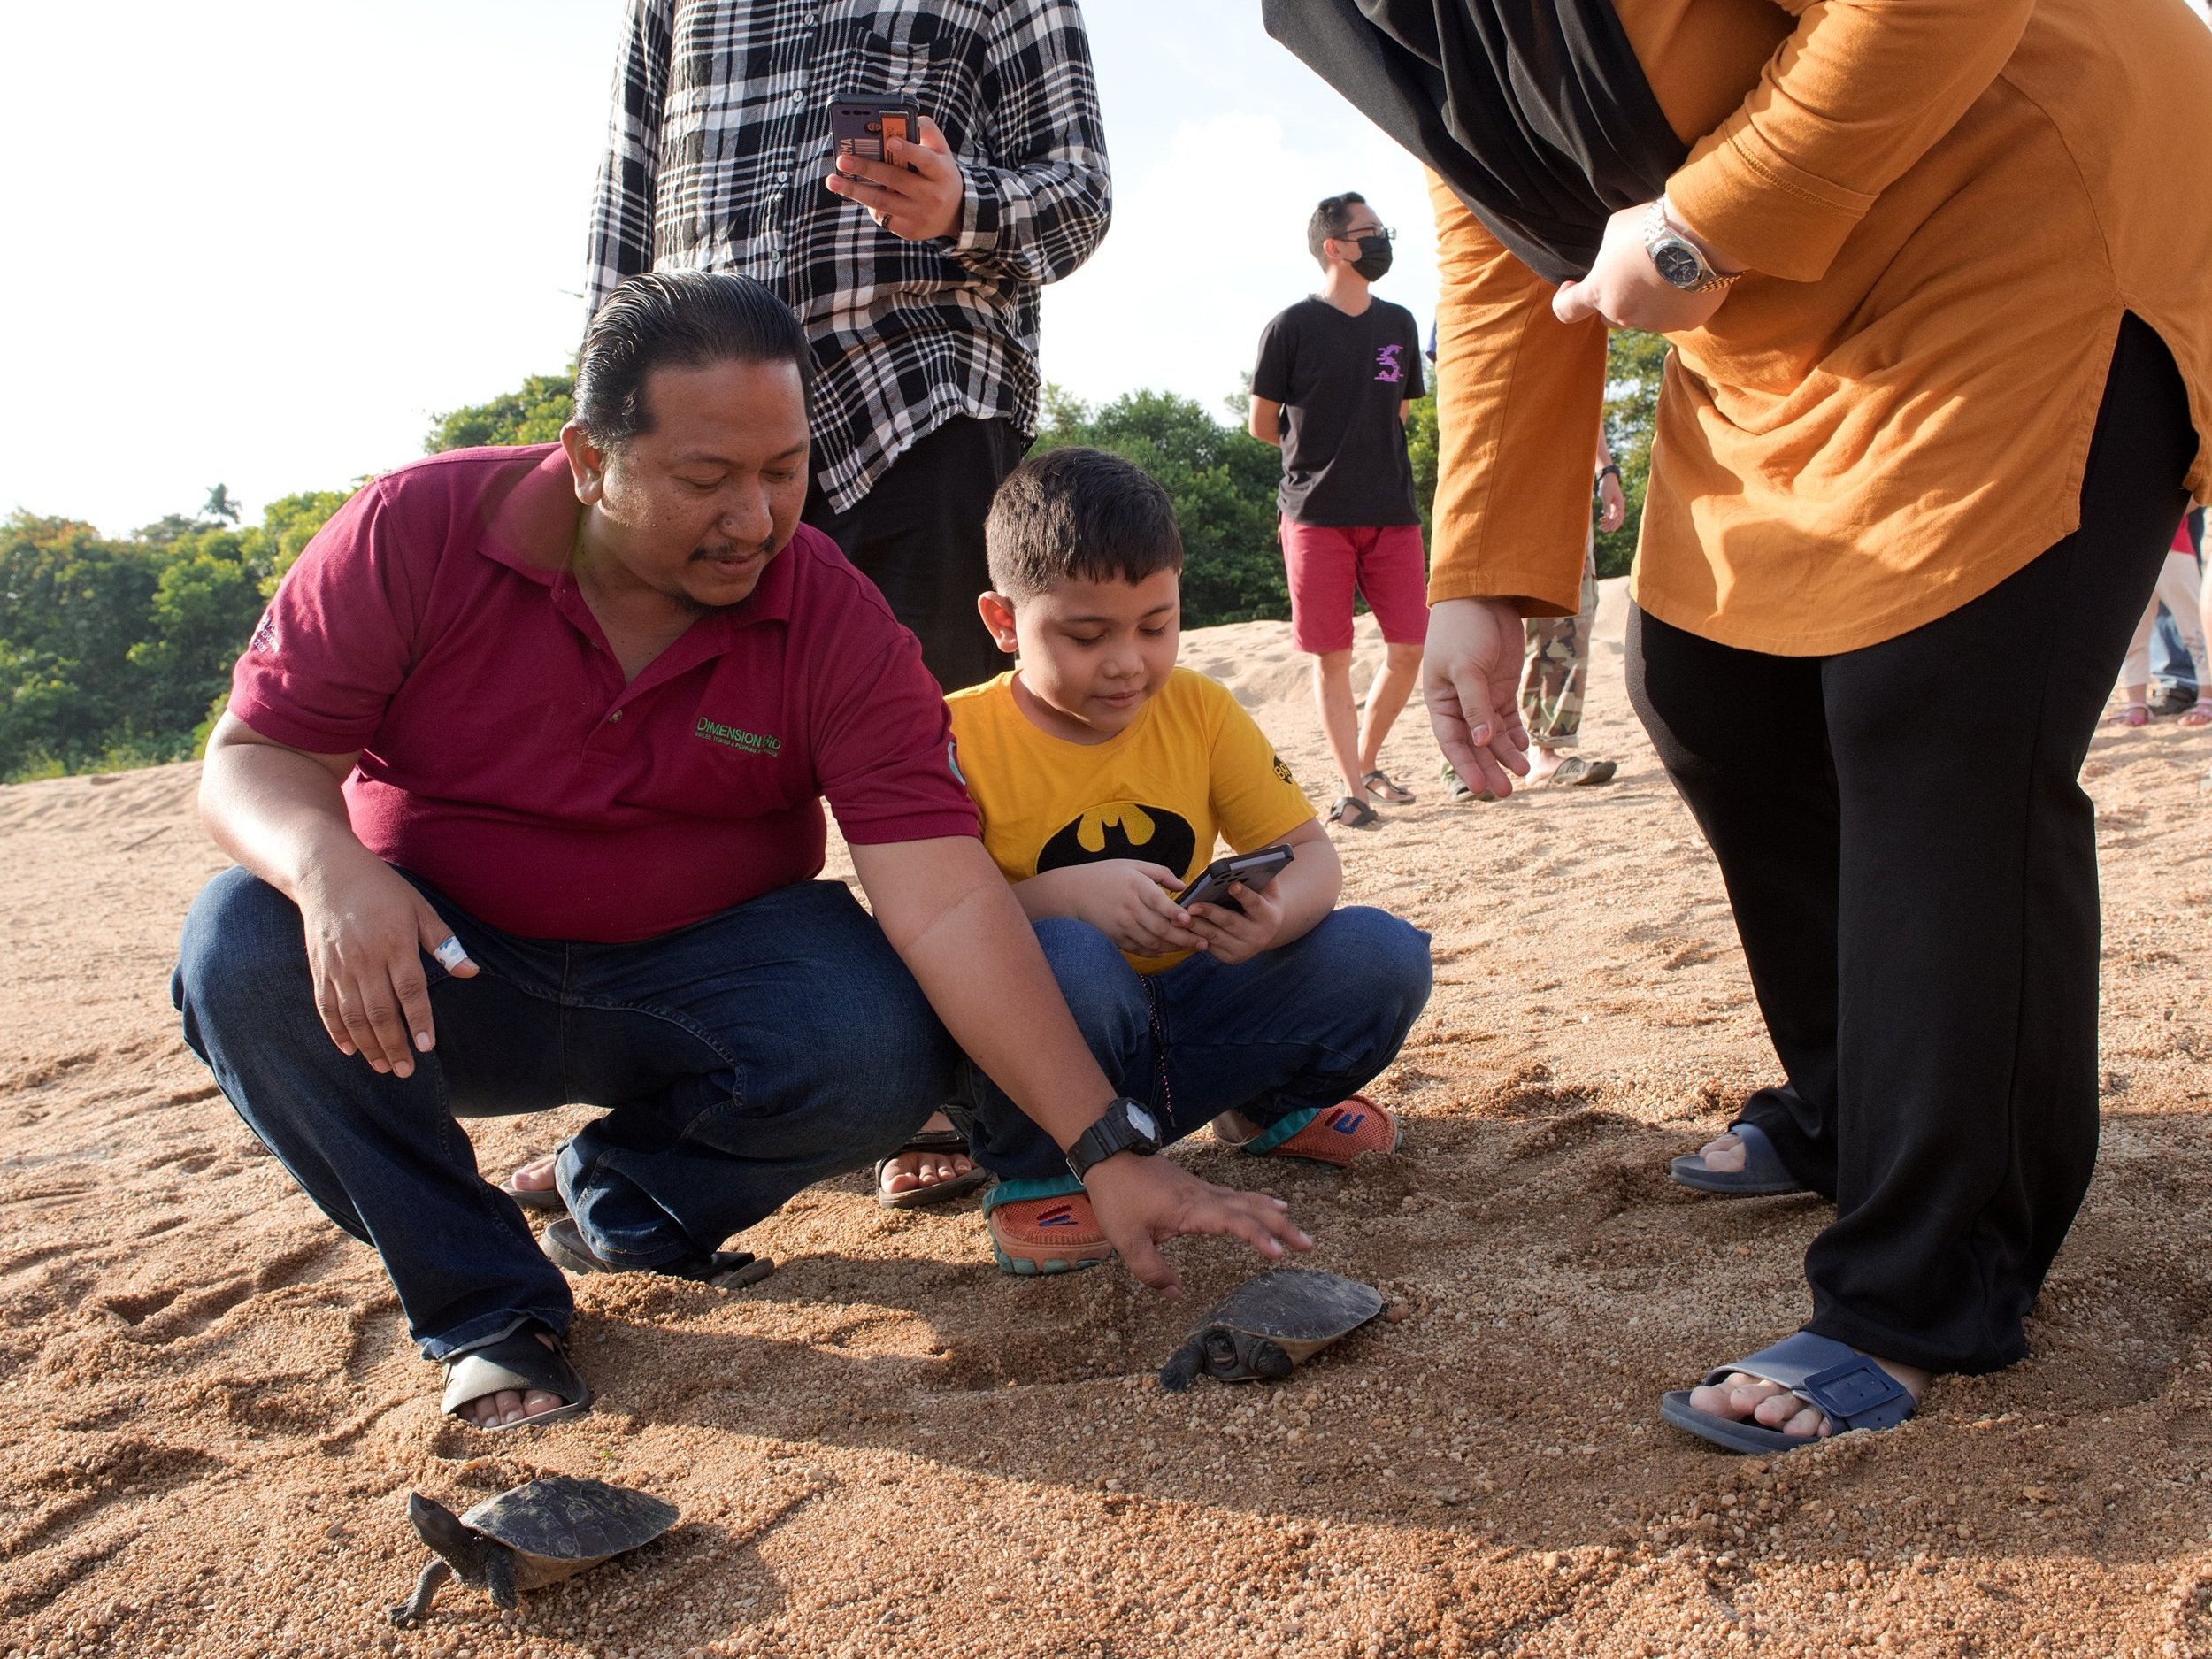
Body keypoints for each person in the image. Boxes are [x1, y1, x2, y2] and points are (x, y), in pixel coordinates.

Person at [1269, 0, 2212, 1452]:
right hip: (1770, 305)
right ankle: (1852, 1103)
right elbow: (1498, 197)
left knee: (1932, 702)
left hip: (2018, 176)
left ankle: (1927, 1284)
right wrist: (1486, 568)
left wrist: (1713, 217)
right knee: (1708, 686)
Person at [171, 274, 1310, 1436]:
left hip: (705, 978)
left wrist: (1106, 1146)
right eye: (706, 478)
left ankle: (617, 1194)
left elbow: (949, 903)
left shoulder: (830, 614)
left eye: (784, 469)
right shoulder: (413, 528)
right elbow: (250, 756)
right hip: (443, 969)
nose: (757, 518)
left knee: (880, 1028)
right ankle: (484, 1306)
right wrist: (328, 868)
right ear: (588, 459)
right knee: (240, 946)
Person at [941, 447, 1434, 1272]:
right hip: (1052, 1051)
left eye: (1155, 625)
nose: (1128, 660)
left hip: (1194, 1016)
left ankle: (1264, 1108)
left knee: (1381, 954)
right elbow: (928, 920)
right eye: (1087, 634)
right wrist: (1060, 895)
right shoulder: (957, 736)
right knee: (1072, 959)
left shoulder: (1198, 709)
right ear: (1002, 622)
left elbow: (1312, 855)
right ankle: (1040, 1174)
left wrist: (1274, 919)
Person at [585, 0, 1110, 695]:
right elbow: (628, 185)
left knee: (927, 748)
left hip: (916, 404)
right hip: (696, 430)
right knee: (703, 752)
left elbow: (1081, 194)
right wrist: (601, 408)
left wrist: (960, 206)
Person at [1248, 193, 1431, 831]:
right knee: (1333, 655)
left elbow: (1400, 412)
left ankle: (1368, 759)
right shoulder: (1290, 326)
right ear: (1335, 246)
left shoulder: (1401, 323)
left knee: (1409, 645)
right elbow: (1261, 424)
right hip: (1316, 514)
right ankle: (1351, 788)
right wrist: (1320, 456)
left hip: (1393, 511)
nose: (1382, 241)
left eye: (1384, 229)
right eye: (1370, 232)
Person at [2108, 509, 2210, 728]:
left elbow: (2196, 493)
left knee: (2195, 624)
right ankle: (2136, 703)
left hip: (2174, 546)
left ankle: (2207, 697)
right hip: (2128, 548)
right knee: (2132, 630)